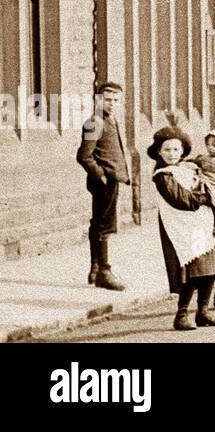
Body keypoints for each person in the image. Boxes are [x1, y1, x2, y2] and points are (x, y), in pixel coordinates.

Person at [147, 126, 215, 331]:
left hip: (202, 224)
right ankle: (181, 314)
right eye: (167, 150)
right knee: (194, 272)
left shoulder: (187, 168)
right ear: (159, 152)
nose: (172, 154)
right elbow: (183, 200)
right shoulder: (163, 175)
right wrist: (208, 196)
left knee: (211, 270)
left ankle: (203, 311)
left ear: (182, 151)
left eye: (176, 150)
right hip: (182, 228)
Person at [76, 82, 131, 290]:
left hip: (111, 179)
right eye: (107, 99)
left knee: (99, 221)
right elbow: (84, 156)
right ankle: (104, 272)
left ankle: (95, 268)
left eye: (116, 100)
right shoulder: (94, 122)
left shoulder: (110, 120)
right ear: (98, 100)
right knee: (104, 224)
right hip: (103, 181)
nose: (112, 104)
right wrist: (101, 175)